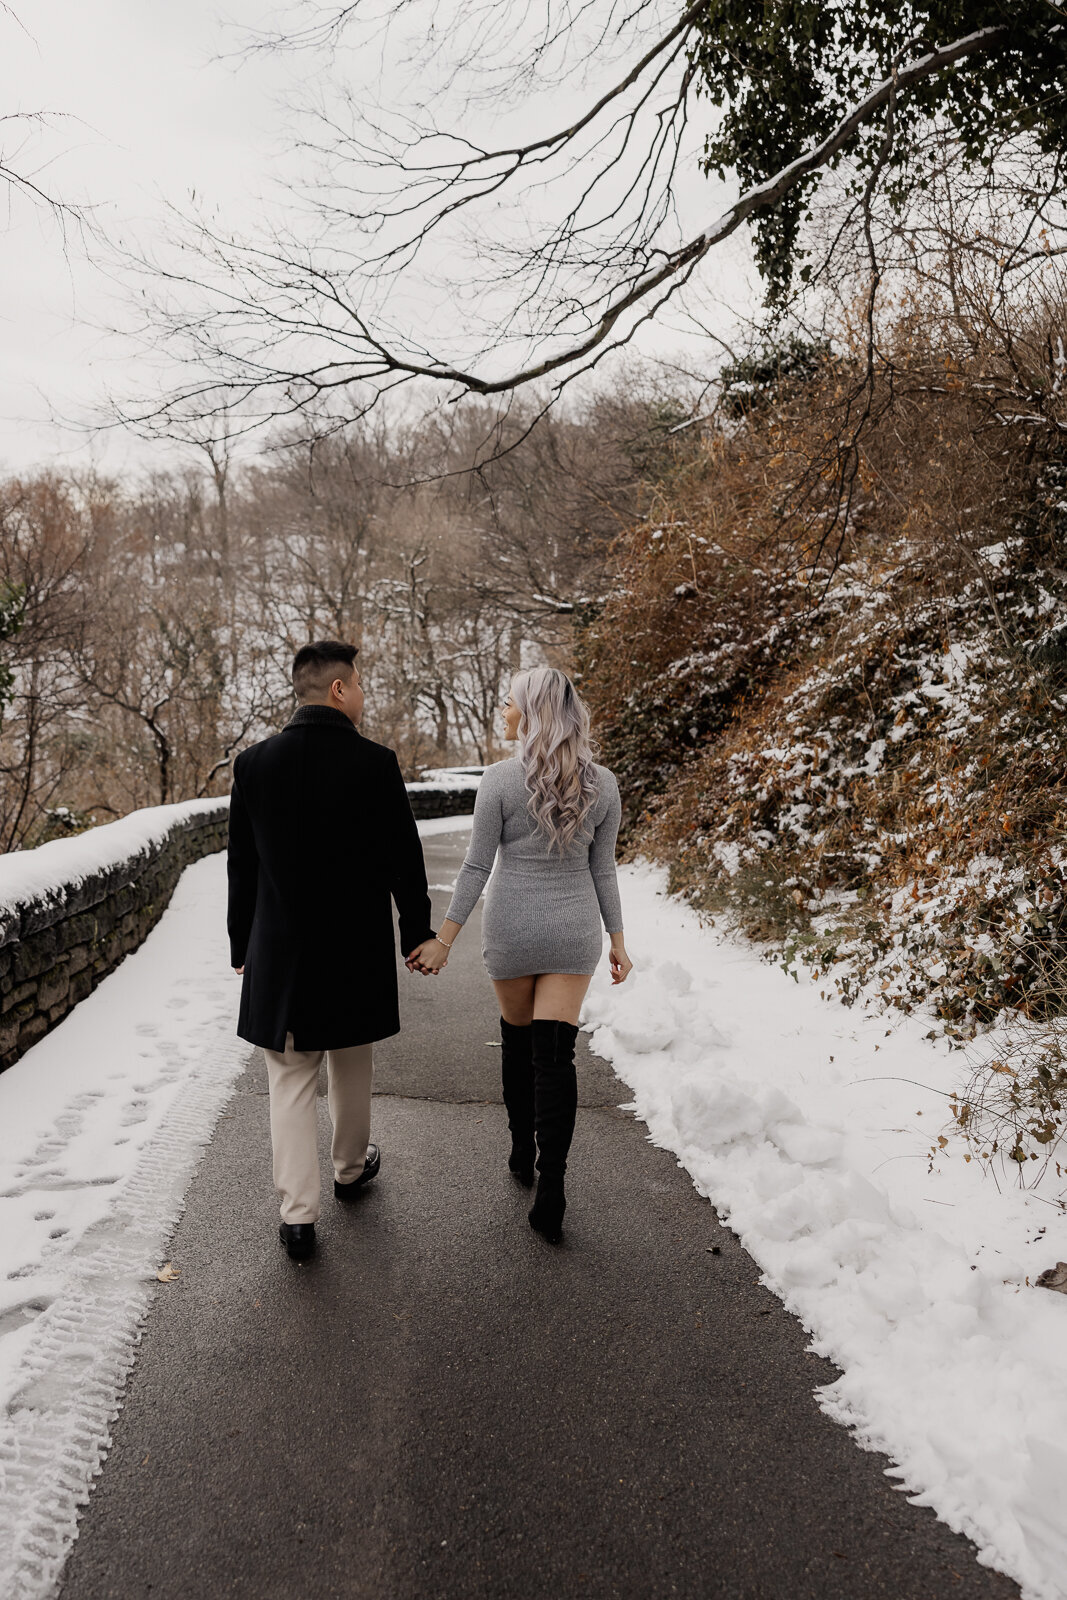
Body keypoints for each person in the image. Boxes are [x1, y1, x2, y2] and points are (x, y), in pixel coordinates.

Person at [227, 640, 437, 1261]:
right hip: (352, 949)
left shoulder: (254, 764)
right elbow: (405, 859)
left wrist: (242, 943)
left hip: (282, 954)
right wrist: (416, 931)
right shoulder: (375, 763)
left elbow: (243, 869)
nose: (363, 693)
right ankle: (349, 1169)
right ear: (339, 690)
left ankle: (298, 1218)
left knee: (289, 1078)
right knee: (350, 1059)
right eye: (361, 683)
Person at [416, 666, 632, 1244]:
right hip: (572, 931)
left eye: (511, 705)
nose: (505, 713)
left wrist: (445, 938)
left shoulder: (500, 780)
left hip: (511, 928)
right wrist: (617, 939)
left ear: (532, 713)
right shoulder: (604, 785)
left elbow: (476, 865)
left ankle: (521, 1146)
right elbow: (602, 868)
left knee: (517, 1043)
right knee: (554, 1056)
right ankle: (553, 1186)